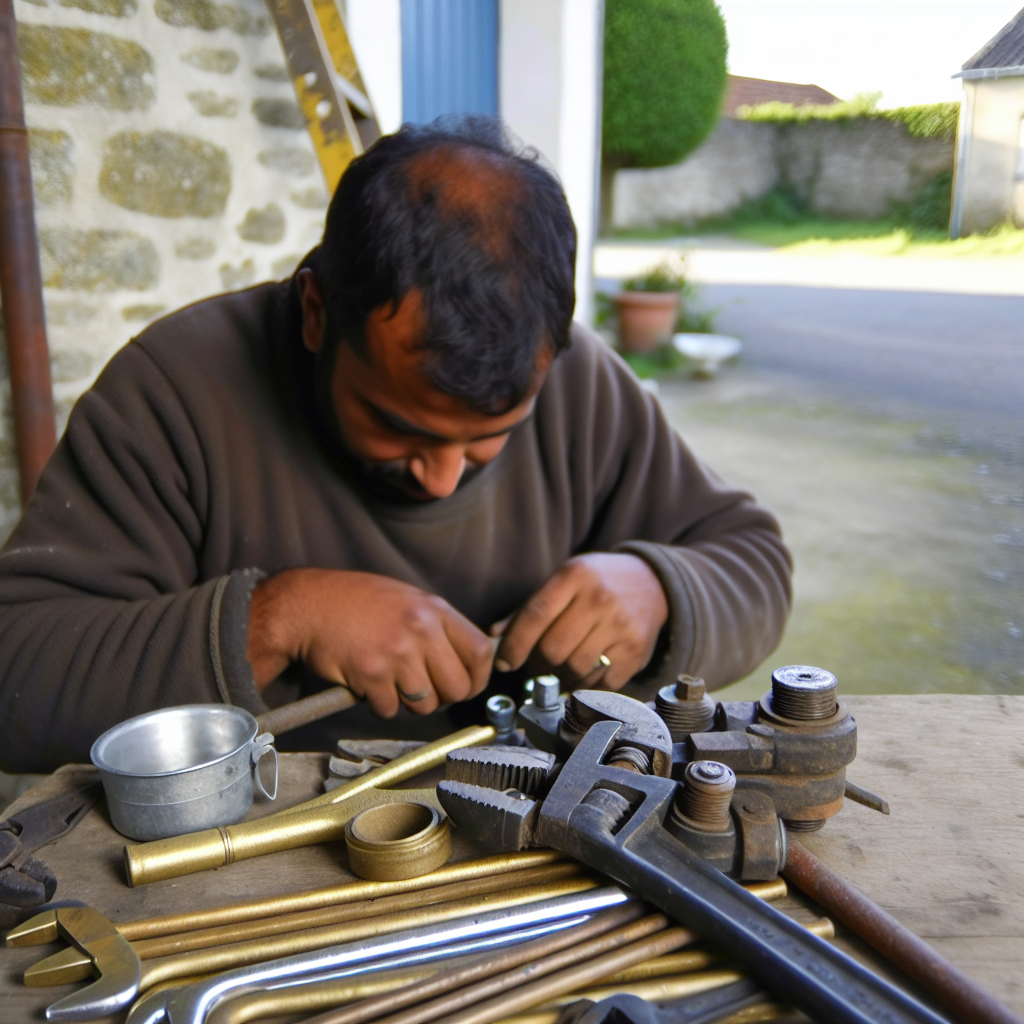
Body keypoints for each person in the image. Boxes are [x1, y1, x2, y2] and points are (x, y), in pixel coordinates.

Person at [0, 117, 791, 773]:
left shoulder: (581, 384)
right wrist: (275, 618)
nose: (443, 480)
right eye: (400, 427)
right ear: (316, 313)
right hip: (254, 852)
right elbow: (16, 676)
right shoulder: (176, 391)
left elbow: (753, 560)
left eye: (488, 440)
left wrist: (658, 588)